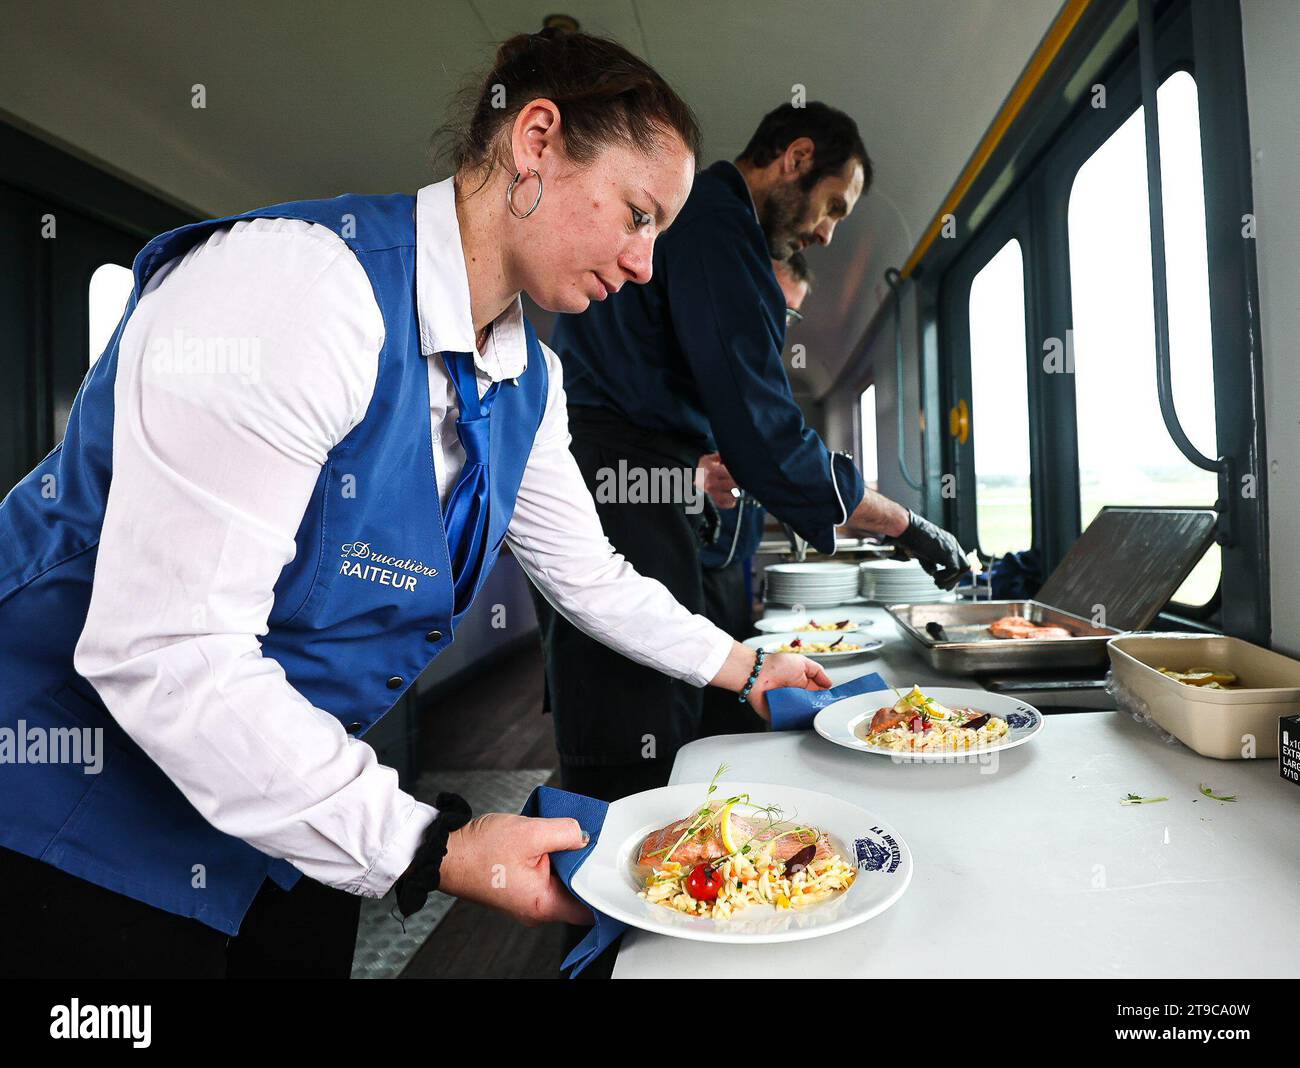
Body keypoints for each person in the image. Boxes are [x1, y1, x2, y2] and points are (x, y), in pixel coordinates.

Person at [0, 30, 833, 979]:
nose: (645, 265)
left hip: (291, 815)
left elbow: (591, 578)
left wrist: (749, 667)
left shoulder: (530, 380)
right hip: (66, 811)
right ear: (537, 141)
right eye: (637, 215)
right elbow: (168, 652)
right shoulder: (303, 288)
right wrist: (430, 844)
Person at [538, 101, 968, 798]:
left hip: (632, 467)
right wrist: (904, 525)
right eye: (832, 206)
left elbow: (737, 424)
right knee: (635, 705)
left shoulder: (709, 222)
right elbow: (766, 433)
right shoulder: (717, 223)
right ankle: (615, 878)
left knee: (629, 683)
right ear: (795, 158)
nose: (826, 234)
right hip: (626, 477)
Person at [696, 253, 813, 737]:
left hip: (732, 573)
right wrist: (689, 479)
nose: (777, 326)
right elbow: (606, 479)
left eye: (789, 315)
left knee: (730, 713)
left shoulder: (753, 386)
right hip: (678, 575)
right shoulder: (688, 372)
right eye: (773, 307)